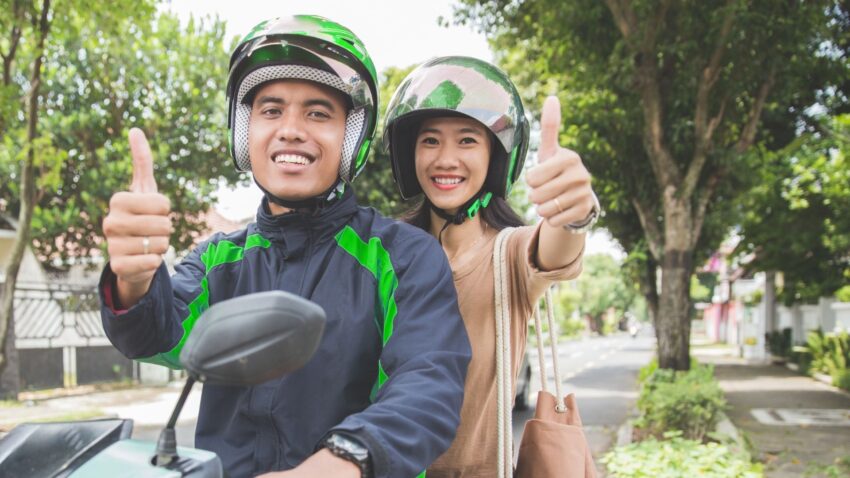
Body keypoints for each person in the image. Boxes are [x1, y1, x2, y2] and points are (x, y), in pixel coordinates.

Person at [99, 16, 471, 478]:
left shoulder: (402, 256)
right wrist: (133, 280)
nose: (291, 129)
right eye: (271, 110)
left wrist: (341, 462)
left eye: (318, 113)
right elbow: (160, 335)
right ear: (245, 130)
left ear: (351, 137)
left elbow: (427, 383)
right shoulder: (218, 260)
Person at [382, 56, 599, 477]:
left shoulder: (511, 254)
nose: (446, 158)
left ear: (495, 156)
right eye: (430, 141)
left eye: (467, 140)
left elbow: (555, 251)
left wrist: (574, 213)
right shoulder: (385, 252)